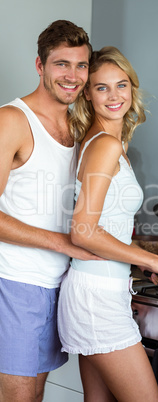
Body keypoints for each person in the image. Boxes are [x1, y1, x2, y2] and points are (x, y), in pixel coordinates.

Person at [58, 46, 158, 402]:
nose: (114, 95)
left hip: (98, 288)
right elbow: (84, 229)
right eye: (101, 87)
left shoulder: (101, 142)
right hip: (97, 297)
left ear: (132, 88)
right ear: (87, 94)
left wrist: (135, 260)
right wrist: (155, 259)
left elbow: (105, 227)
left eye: (121, 84)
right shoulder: (104, 145)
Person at [0, 20, 101, 402]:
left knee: (38, 394)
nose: (73, 76)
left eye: (81, 65)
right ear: (40, 66)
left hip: (60, 284)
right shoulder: (11, 120)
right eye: (62, 64)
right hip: (16, 282)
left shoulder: (79, 126)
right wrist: (63, 243)